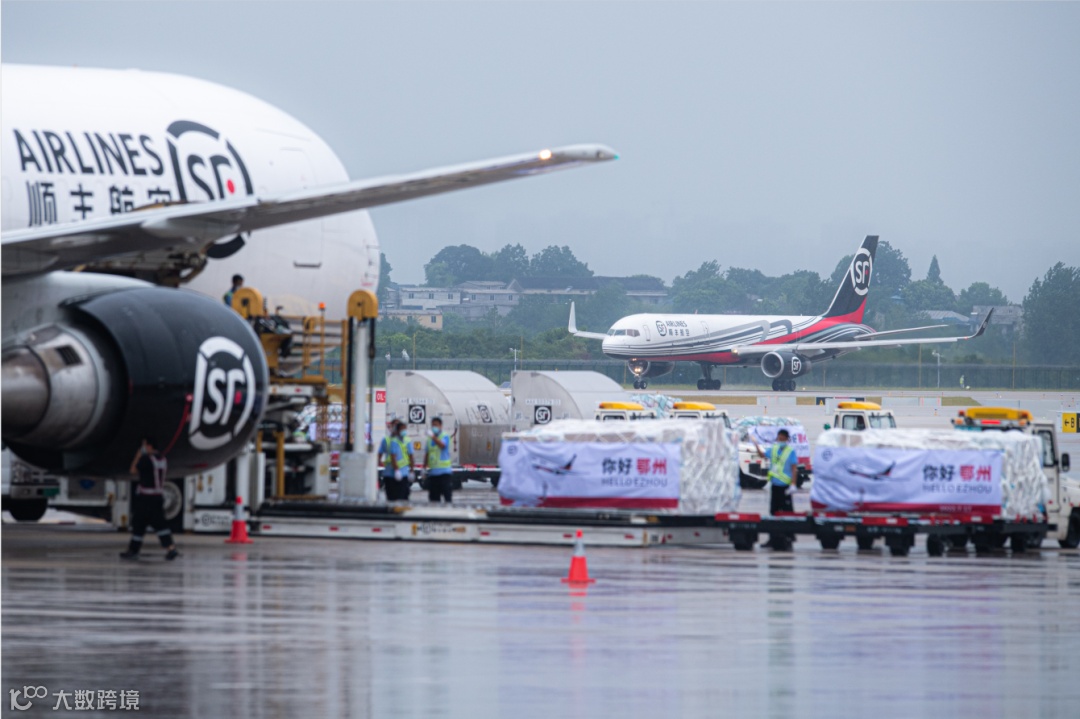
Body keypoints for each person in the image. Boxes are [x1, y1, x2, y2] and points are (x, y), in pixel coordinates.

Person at [121, 437, 179, 560]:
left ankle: (133, 550)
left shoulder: (146, 459)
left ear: (149, 446)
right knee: (161, 525)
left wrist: (138, 455)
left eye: (144, 446)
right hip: (158, 497)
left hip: (146, 499)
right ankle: (171, 548)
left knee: (138, 525)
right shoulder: (162, 460)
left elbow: (133, 470)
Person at [757, 429, 799, 550]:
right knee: (773, 513)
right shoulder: (774, 449)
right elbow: (763, 455)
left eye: (783, 438)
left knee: (788, 513)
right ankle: (772, 538)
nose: (781, 440)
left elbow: (794, 469)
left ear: (787, 439)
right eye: (779, 438)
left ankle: (790, 537)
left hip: (786, 488)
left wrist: (793, 484)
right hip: (775, 487)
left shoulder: (790, 451)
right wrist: (756, 445)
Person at [425, 417, 454, 503]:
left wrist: (433, 437)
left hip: (444, 473)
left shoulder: (445, 436)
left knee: (447, 497)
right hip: (433, 473)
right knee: (434, 499)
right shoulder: (429, 439)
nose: (434, 427)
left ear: (441, 426)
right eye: (433, 425)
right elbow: (427, 453)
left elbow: (442, 445)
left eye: (436, 425)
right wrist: (423, 468)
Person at [382, 421, 413, 501]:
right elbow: (393, 457)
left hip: (404, 473)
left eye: (405, 429)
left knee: (404, 496)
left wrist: (411, 471)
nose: (404, 431)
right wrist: (396, 470)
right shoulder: (393, 441)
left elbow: (411, 456)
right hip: (392, 473)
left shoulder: (407, 440)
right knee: (392, 497)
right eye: (402, 429)